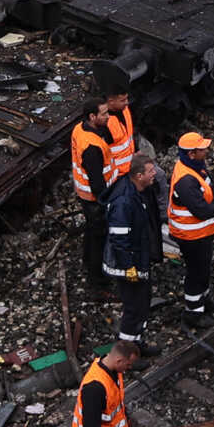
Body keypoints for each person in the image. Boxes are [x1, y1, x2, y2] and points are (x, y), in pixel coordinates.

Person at [70, 93, 136, 290]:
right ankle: (97, 282)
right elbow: (97, 183)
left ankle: (87, 260)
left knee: (91, 232)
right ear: (92, 117)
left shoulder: (79, 130)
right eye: (104, 114)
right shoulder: (92, 147)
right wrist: (108, 202)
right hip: (95, 200)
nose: (108, 117)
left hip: (85, 196)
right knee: (100, 238)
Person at [103, 156, 161, 353]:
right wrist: (129, 267)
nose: (155, 174)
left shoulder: (138, 191)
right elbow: (119, 239)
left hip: (137, 258)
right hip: (127, 264)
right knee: (134, 307)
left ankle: (136, 343)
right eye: (150, 171)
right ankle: (127, 350)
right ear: (138, 175)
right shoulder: (124, 201)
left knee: (143, 302)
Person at [166, 132, 214, 322]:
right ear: (191, 154)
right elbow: (202, 210)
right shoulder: (186, 181)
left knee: (203, 267)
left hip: (201, 232)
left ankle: (204, 299)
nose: (206, 151)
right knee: (196, 271)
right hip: (191, 235)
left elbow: (210, 187)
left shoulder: (195, 167)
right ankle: (194, 312)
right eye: (202, 149)